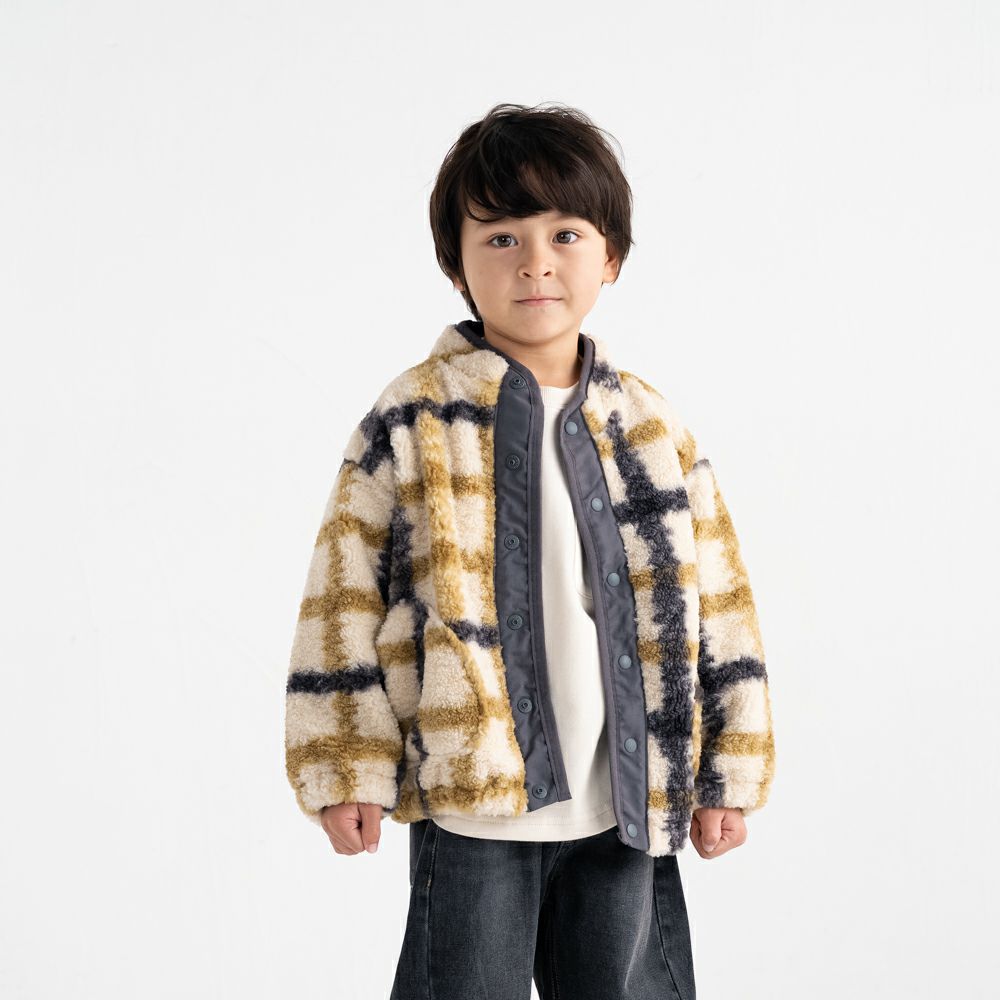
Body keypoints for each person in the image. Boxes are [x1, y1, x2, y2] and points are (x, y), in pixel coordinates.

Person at [284, 101, 776, 1000]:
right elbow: (342, 595)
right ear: (456, 265)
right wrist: (346, 765)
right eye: (502, 237)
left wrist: (728, 770)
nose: (536, 262)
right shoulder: (412, 419)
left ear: (611, 257)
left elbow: (720, 606)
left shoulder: (651, 426)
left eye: (565, 234)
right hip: (475, 803)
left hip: (626, 799)